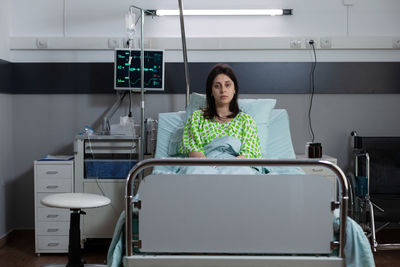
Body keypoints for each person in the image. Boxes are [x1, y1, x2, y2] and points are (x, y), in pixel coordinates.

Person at [178, 63, 262, 159]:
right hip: (203, 165)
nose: (223, 90)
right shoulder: (197, 118)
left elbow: (249, 153)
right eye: (217, 86)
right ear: (211, 91)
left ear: (235, 89)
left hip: (236, 167)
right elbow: (193, 149)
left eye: (227, 85)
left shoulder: (246, 121)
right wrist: (209, 166)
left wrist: (228, 166)